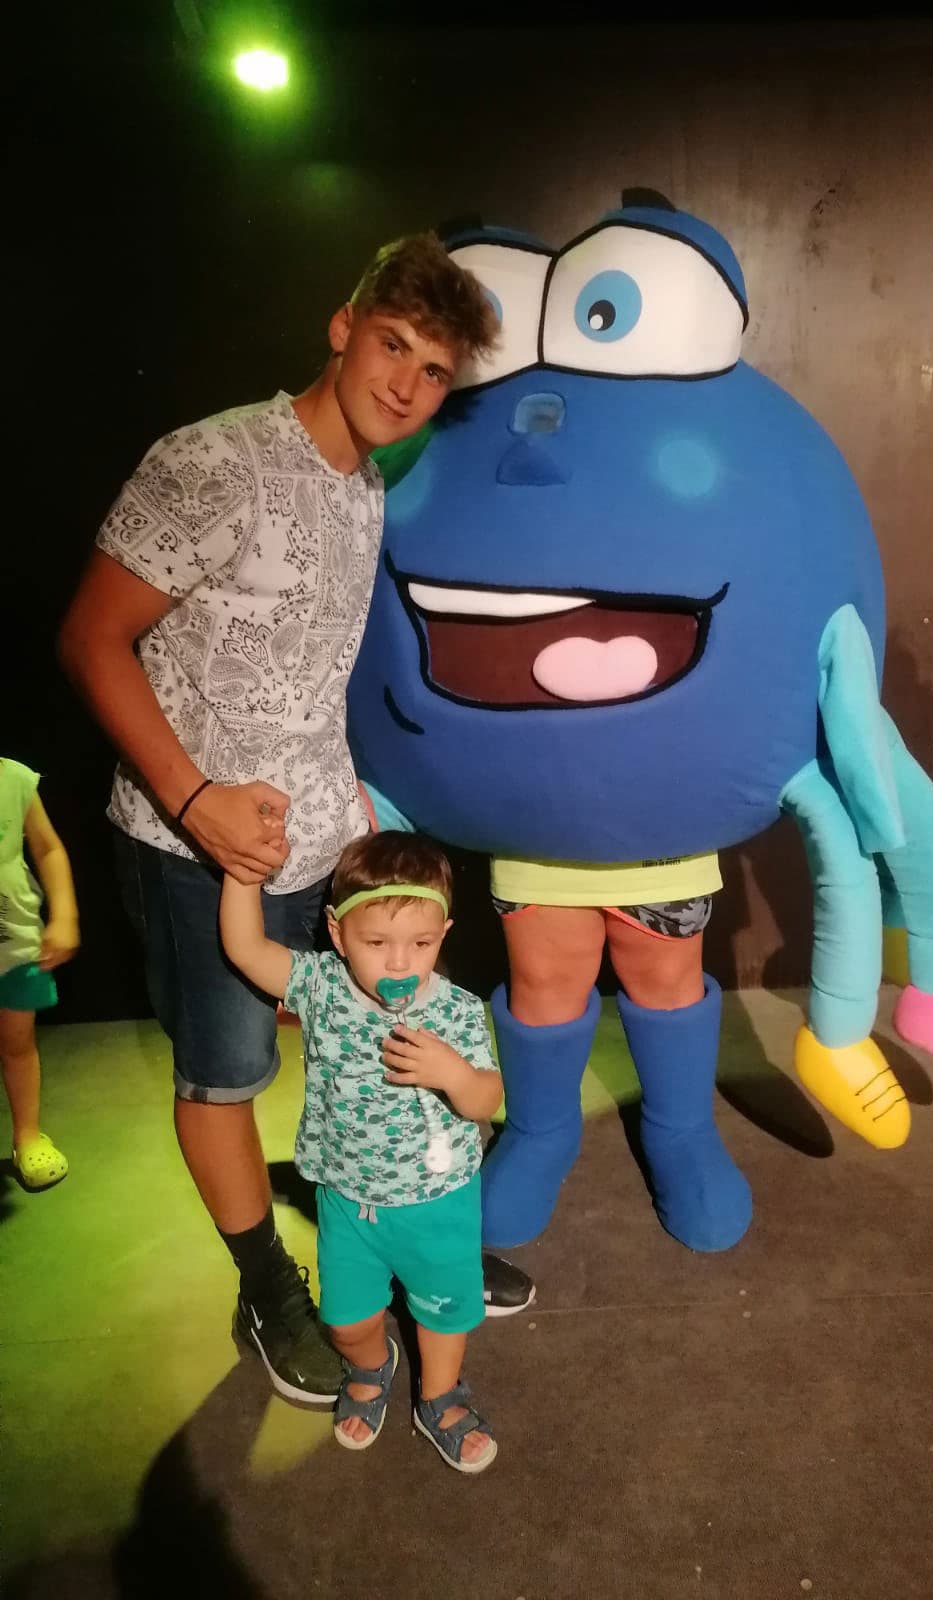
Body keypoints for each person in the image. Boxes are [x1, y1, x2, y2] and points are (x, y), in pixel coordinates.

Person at [58, 232, 530, 1408]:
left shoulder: (364, 485)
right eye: (393, 347)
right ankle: (268, 1280)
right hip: (189, 846)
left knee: (368, 1036)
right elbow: (90, 639)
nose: (406, 385)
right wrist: (195, 800)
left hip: (324, 838)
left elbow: (305, 673)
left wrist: (349, 800)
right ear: (342, 326)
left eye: (433, 371)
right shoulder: (211, 459)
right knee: (225, 1073)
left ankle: (402, 1224)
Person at [221, 831, 500, 1466]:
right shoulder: (319, 986)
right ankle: (372, 1367)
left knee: (444, 1316)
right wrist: (241, 869)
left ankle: (440, 1396)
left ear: (443, 934)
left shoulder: (456, 1012)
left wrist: (455, 1074)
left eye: (421, 944)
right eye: (377, 943)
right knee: (346, 1323)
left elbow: (486, 1099)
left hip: (438, 1202)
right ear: (338, 933)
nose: (400, 963)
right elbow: (245, 949)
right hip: (347, 1202)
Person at [0, 758, 79, 1189]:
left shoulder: (14, 778)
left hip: (13, 946)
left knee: (17, 1043)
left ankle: (27, 1136)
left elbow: (48, 848)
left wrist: (64, 914)